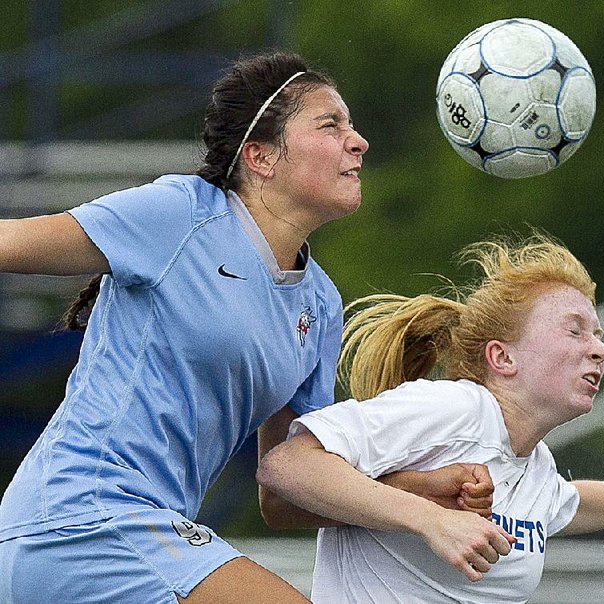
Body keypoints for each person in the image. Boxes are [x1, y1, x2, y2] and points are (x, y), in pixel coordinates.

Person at [0, 50, 510, 604]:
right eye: (330, 124)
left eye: (353, 126)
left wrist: (420, 492)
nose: (358, 141)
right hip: (81, 515)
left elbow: (285, 491)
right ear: (261, 157)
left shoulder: (320, 302)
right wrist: (423, 521)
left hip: (139, 538)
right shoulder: (179, 212)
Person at [259, 233, 604, 603]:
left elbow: (573, 504)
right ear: (502, 358)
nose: (599, 349)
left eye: (598, 334)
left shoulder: (534, 466)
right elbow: (287, 467)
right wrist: (433, 519)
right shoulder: (457, 409)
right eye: (575, 330)